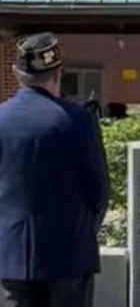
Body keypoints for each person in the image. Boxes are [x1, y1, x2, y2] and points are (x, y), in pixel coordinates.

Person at [0, 33, 110, 307]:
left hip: (13, 257)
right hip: (70, 255)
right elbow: (99, 191)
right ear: (59, 72)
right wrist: (82, 232)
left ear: (16, 72)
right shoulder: (79, 120)